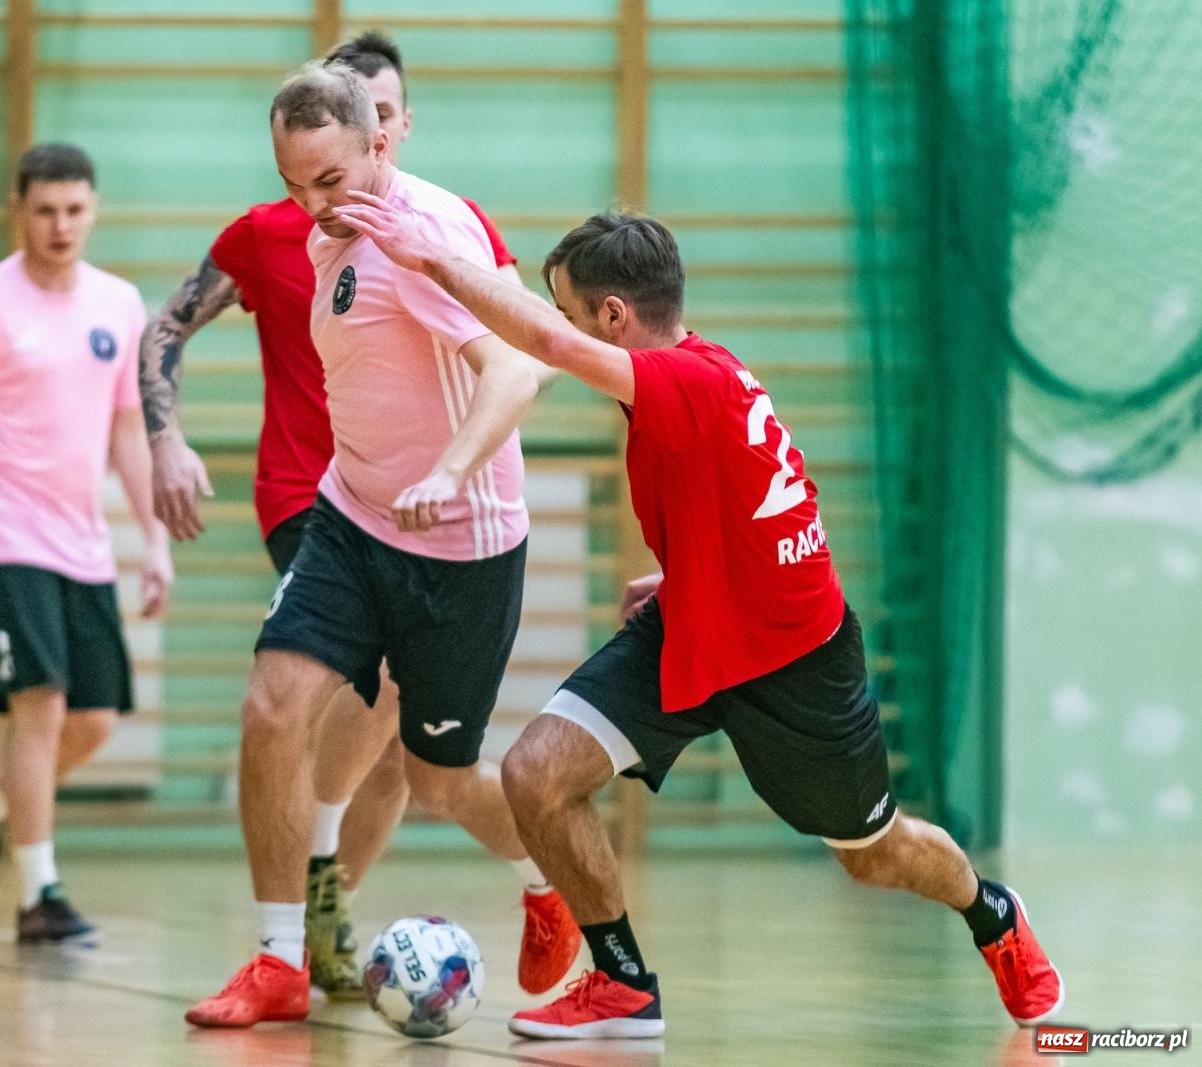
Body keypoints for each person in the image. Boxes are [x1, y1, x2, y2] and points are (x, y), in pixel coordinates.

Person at [334, 199, 1064, 1038]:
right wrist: (692, 575)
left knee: (875, 854)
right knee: (538, 772)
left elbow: (545, 346)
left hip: (793, 662)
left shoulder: (686, 378)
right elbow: (766, 494)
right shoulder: (695, 371)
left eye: (575, 310)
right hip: (695, 620)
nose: (566, 324)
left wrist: (430, 259)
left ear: (614, 315)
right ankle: (623, 985)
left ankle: (993, 913)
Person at [183, 63, 581, 1029]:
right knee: (271, 708)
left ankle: (546, 882)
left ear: (380, 143)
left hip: (460, 545)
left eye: (330, 180)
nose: (312, 205)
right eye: (293, 185)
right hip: (352, 518)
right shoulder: (334, 233)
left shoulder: (426, 236)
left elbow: (515, 371)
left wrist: (449, 471)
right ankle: (279, 958)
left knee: (438, 780)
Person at [0, 143, 173, 945]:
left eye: (74, 209)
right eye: (45, 210)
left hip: (82, 541)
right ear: (19, 211)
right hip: (3, 535)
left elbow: (128, 428)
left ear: (93, 209)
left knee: (93, 721)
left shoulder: (118, 304)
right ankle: (37, 894)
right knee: (42, 707)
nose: (61, 225)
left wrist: (154, 538)